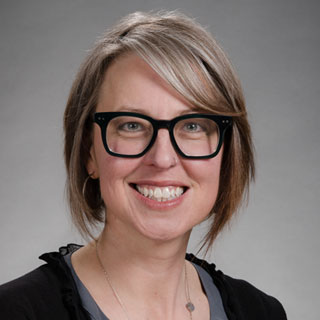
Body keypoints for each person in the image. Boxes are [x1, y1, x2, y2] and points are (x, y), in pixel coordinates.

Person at [0, 11, 287, 320]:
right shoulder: (15, 311)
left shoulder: (261, 312)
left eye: (193, 126)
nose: (163, 159)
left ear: (227, 153)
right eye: (132, 126)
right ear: (89, 153)